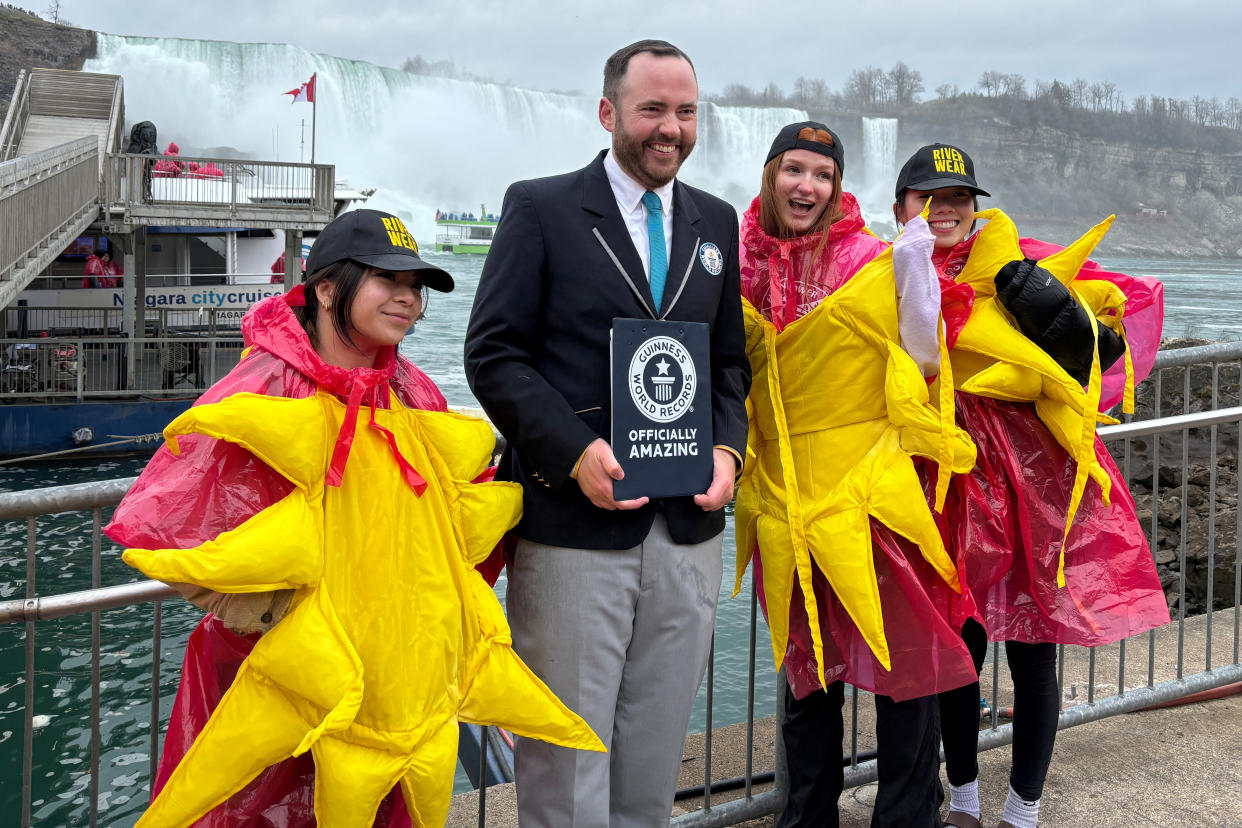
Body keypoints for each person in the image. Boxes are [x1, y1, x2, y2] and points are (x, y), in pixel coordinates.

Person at [105, 209, 586, 826]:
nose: (407, 299)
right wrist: (265, 609)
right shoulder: (266, 385)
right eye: (389, 280)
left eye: (416, 287)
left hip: (392, 691)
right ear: (327, 288)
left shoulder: (413, 391)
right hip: (279, 676)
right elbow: (160, 522)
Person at [464, 39, 751, 827]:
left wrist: (728, 451)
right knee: (565, 761)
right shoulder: (543, 207)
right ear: (609, 112)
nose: (671, 128)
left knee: (653, 759)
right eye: (653, 109)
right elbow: (493, 353)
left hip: (688, 532)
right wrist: (573, 452)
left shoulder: (715, 223)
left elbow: (729, 364)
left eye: (686, 112)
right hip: (572, 533)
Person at [890, 144, 1170, 828]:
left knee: (1034, 645)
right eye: (928, 197)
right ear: (901, 207)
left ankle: (1023, 808)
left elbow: (1118, 319)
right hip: (944, 482)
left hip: (1028, 486)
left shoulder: (1019, 261)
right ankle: (962, 799)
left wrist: (1062, 320)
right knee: (959, 647)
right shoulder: (885, 272)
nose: (944, 209)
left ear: (976, 207)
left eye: (957, 197)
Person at [734, 122, 979, 827]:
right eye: (794, 170)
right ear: (772, 173)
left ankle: (908, 817)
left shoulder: (872, 258)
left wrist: (913, 275)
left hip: (872, 494)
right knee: (806, 679)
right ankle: (806, 817)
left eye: (821, 174)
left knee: (905, 669)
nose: (806, 186)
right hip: (785, 497)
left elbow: (922, 359)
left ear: (838, 186)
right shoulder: (739, 266)